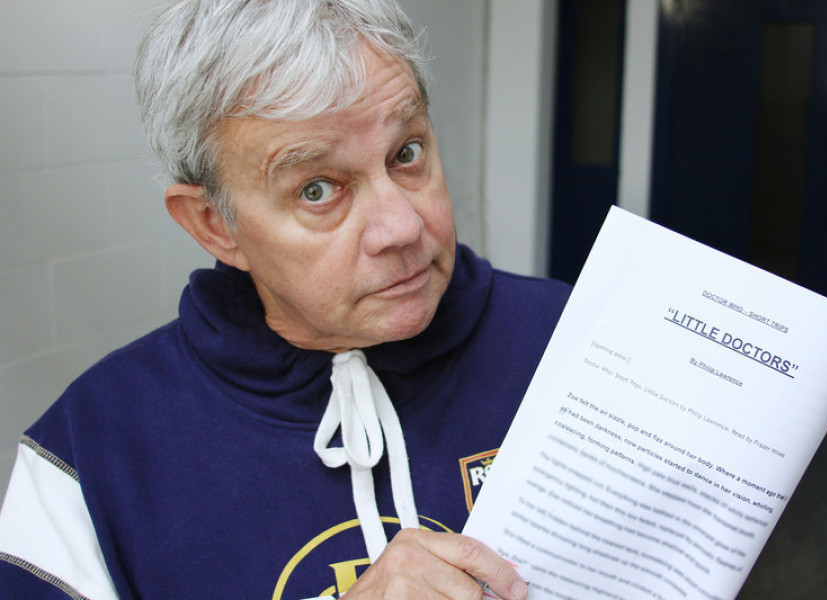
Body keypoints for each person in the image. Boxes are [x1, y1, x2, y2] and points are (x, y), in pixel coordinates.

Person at [0, 1, 570, 598]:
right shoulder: (92, 452)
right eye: (318, 190)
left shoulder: (576, 344)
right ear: (213, 225)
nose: (401, 227)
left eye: (406, 154)